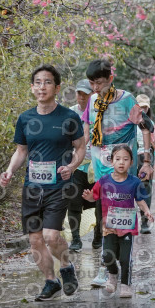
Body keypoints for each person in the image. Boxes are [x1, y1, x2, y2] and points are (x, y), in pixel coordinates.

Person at [0, 64, 85, 301]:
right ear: (32, 87)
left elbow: (80, 148)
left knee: (50, 236)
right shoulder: (25, 118)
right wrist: (9, 171)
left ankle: (66, 266)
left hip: (58, 186)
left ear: (57, 88)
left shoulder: (69, 117)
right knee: (35, 239)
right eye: (37, 82)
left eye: (47, 82)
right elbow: (21, 151)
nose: (42, 87)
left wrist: (71, 166)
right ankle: (51, 281)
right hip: (32, 188)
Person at [81, 59, 155, 288]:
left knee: (121, 219)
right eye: (92, 83)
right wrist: (76, 160)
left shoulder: (127, 100)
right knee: (102, 218)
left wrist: (146, 161)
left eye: (100, 83)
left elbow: (145, 128)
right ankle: (107, 267)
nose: (95, 88)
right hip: (102, 172)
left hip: (124, 173)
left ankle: (122, 266)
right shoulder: (92, 101)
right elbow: (86, 132)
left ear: (110, 79)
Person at [82, 144, 154, 298]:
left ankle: (125, 285)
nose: (122, 162)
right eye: (118, 159)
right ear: (111, 161)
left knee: (125, 258)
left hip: (127, 227)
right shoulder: (103, 181)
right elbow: (94, 196)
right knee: (108, 256)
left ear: (131, 162)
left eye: (126, 159)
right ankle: (113, 275)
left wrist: (146, 211)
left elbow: (140, 200)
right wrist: (88, 196)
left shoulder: (135, 182)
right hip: (109, 227)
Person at [67, 79, 98, 251]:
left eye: (86, 94)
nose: (82, 97)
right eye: (79, 93)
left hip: (98, 165)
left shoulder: (100, 111)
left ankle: (98, 237)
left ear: (93, 94)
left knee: (98, 202)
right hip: (77, 165)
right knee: (74, 201)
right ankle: (76, 239)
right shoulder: (70, 113)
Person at [135, 94, 155, 234]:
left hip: (145, 158)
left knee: (144, 188)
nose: (143, 110)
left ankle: (144, 221)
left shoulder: (150, 123)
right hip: (130, 157)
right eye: (140, 107)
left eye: (145, 107)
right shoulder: (129, 122)